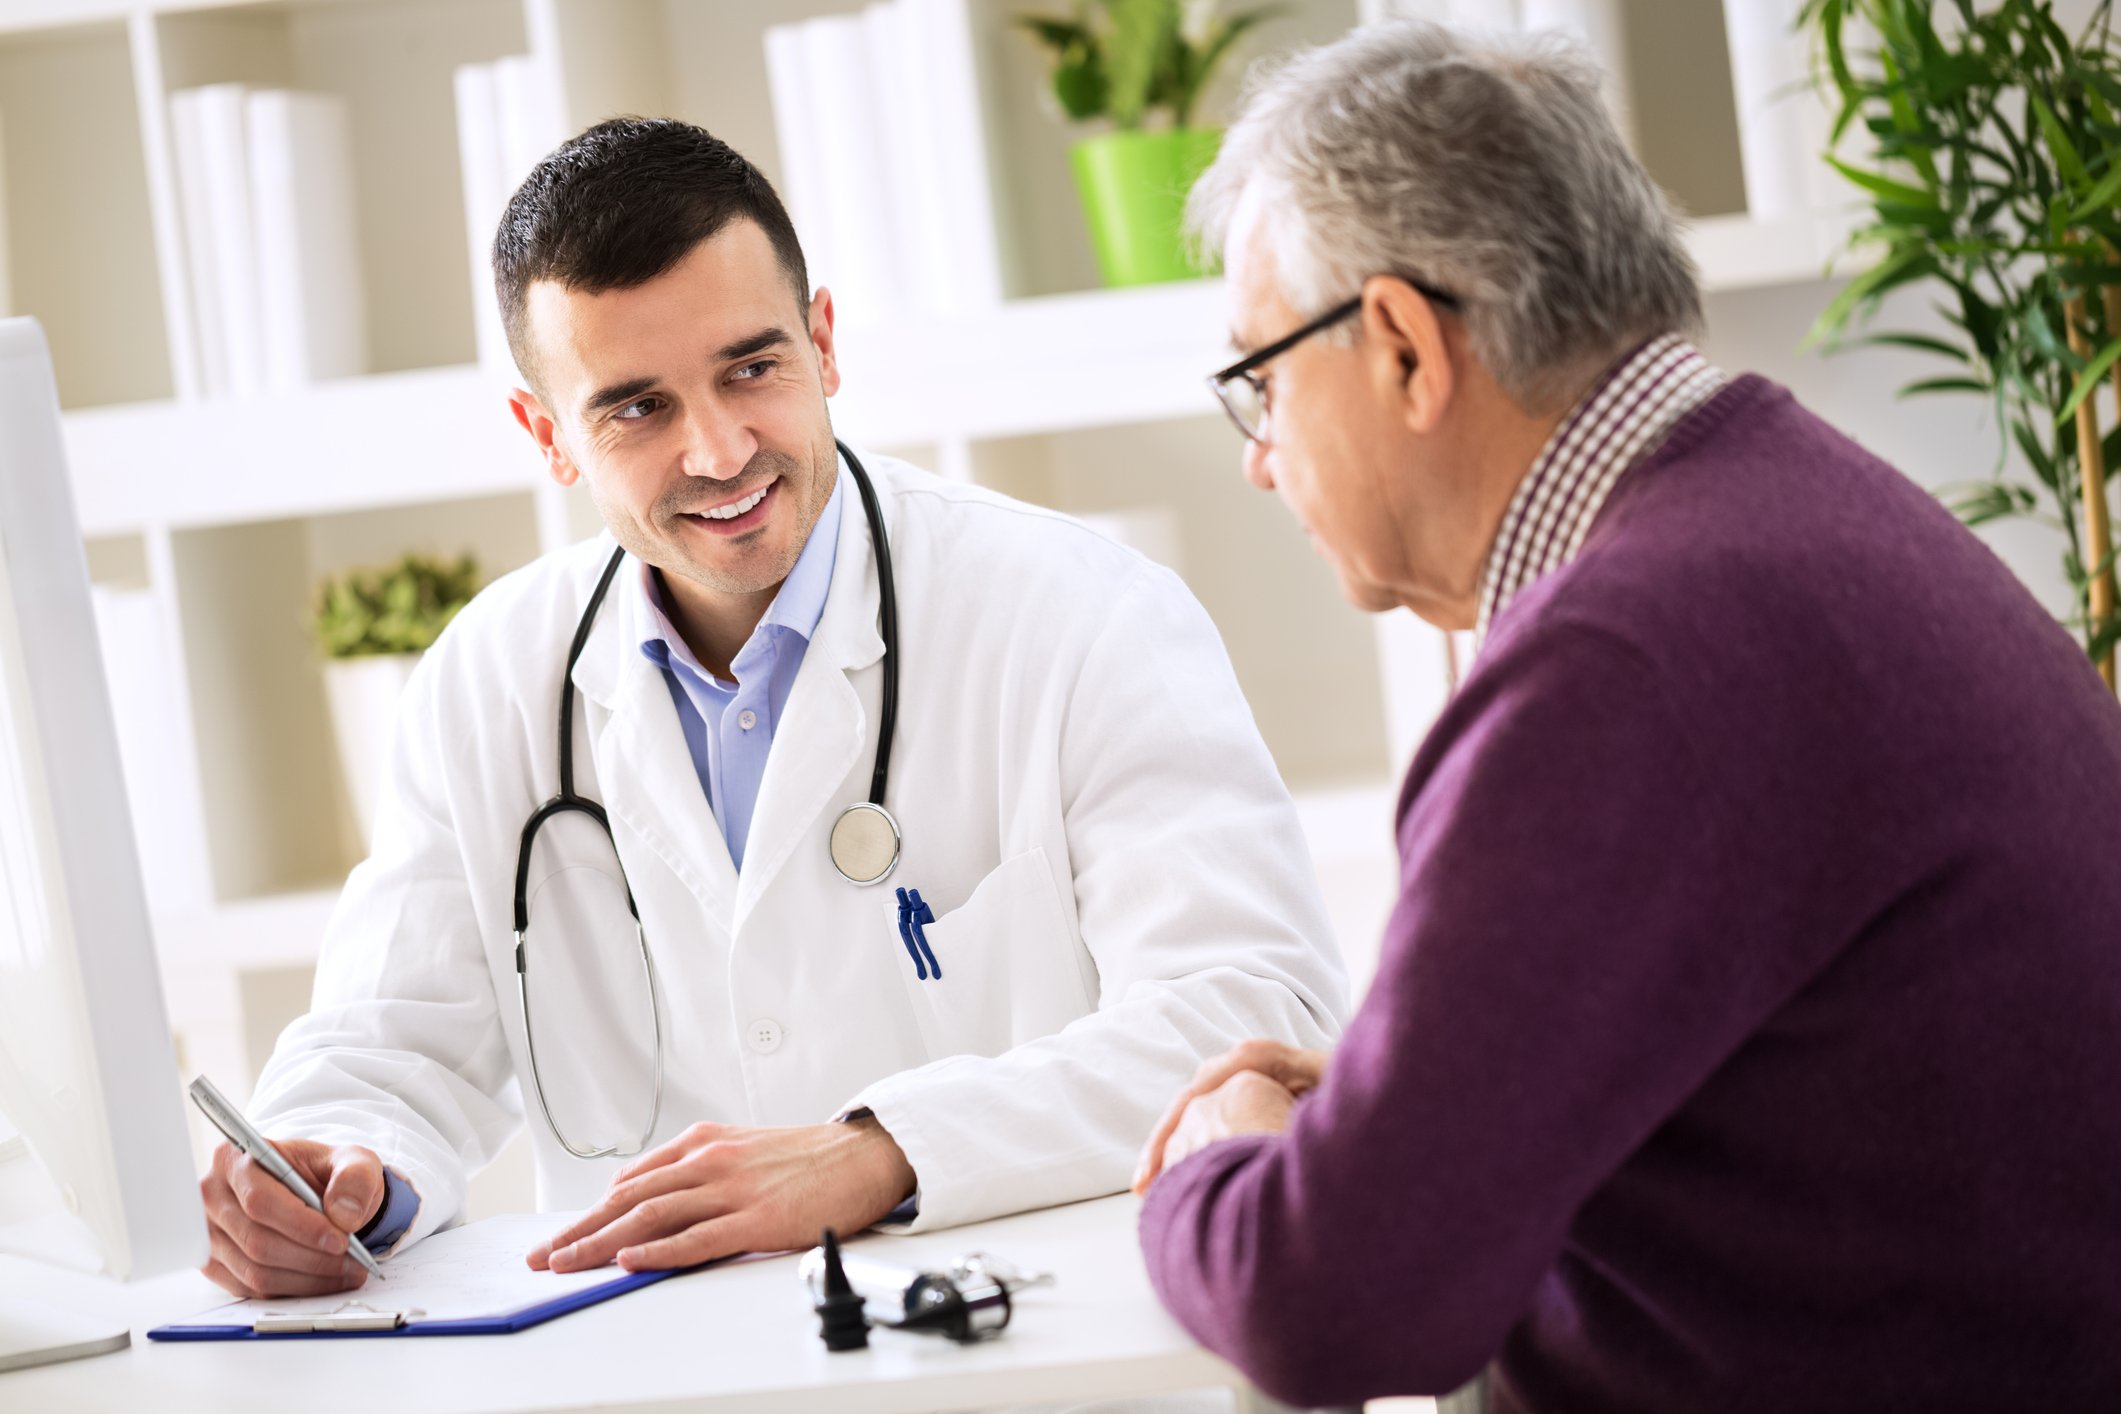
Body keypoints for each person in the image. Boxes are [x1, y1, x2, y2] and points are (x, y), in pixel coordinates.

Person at [1131, 20, 2121, 1414]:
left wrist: (1216, 1164)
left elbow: (1332, 1303)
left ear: (1406, 348)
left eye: (1263, 378)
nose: (1257, 459)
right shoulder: (1790, 512)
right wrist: (1387, 1109)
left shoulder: (1624, 656)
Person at [195, 117, 1347, 1300]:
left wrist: (880, 1151)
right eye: (637, 408)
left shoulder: (1080, 614)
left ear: (824, 341)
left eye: (753, 368)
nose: (720, 448)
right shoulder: (489, 677)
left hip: (1037, 1344)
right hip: (671, 1367)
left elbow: (1249, 1011)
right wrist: (335, 1172)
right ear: (548, 436)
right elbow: (390, 1042)